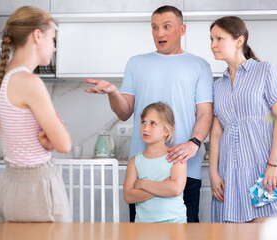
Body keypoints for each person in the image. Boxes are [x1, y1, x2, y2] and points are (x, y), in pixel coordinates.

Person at [85, 5, 213, 222]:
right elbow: (124, 112)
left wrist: (193, 144)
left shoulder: (200, 66)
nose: (159, 33)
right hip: (143, 168)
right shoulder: (136, 63)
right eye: (154, 27)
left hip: (183, 168)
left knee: (186, 233)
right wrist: (113, 92)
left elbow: (205, 114)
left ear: (182, 30)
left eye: (166, 26)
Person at [0, 6, 71, 222]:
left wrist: (47, 140)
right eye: (53, 40)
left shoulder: (8, 79)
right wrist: (54, 136)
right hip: (37, 190)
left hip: (11, 184)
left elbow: (32, 140)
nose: (53, 48)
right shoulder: (30, 83)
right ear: (37, 35)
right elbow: (65, 145)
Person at [209, 16, 277, 223]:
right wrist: (213, 173)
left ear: (239, 41)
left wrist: (273, 165)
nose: (213, 45)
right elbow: (215, 132)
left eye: (219, 39)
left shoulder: (265, 70)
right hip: (229, 177)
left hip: (263, 172)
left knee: (267, 231)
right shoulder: (218, 85)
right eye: (211, 39)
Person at [123, 102, 187, 222]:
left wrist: (142, 184)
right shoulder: (135, 161)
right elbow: (128, 196)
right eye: (143, 122)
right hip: (144, 225)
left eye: (153, 123)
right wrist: (163, 187)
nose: (146, 128)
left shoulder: (176, 157)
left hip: (174, 223)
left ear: (167, 131)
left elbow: (175, 189)